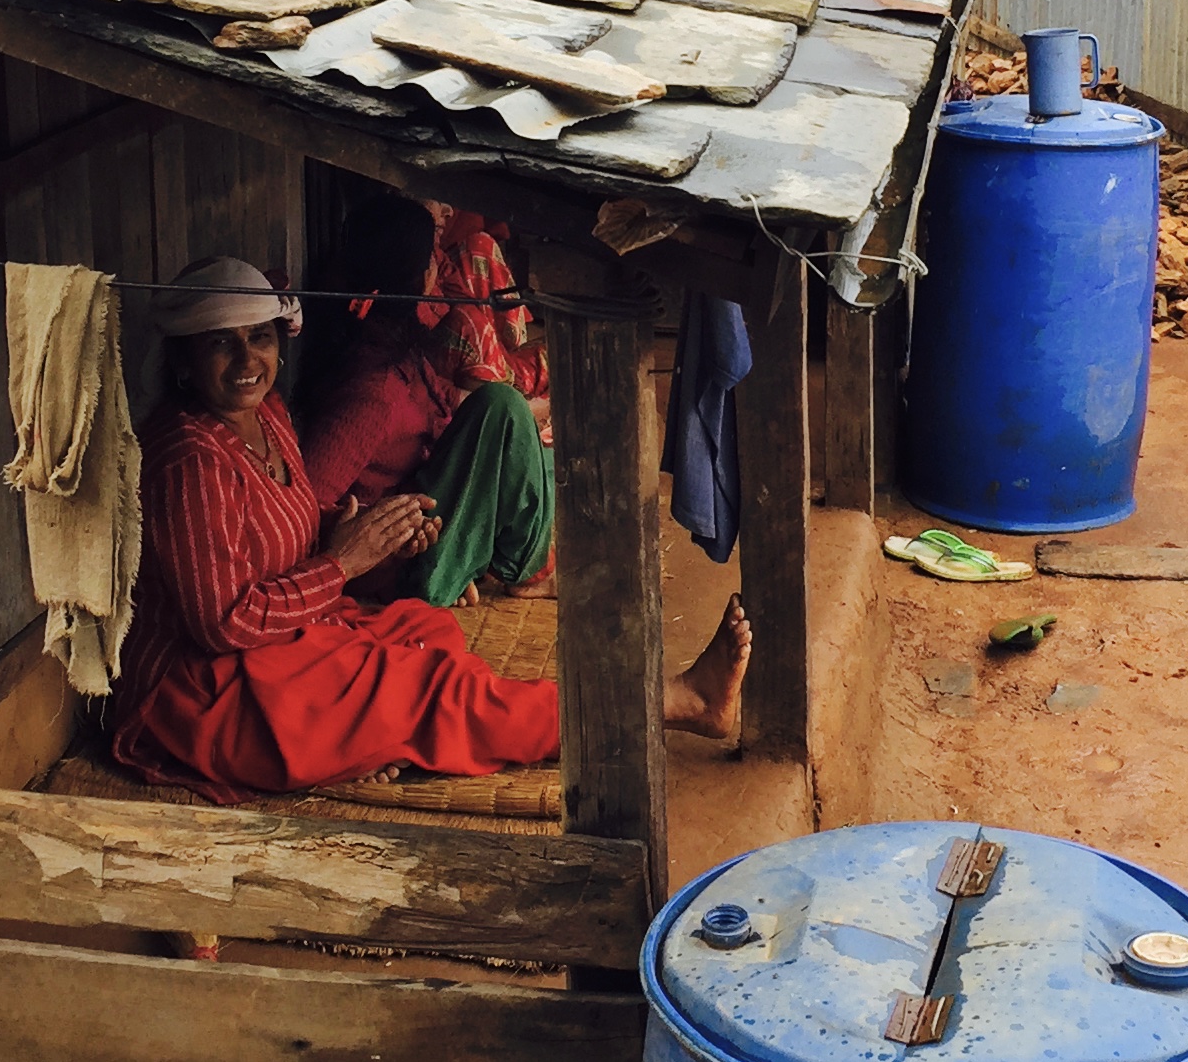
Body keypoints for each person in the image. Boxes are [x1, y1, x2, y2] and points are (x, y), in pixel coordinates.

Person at [108, 256, 745, 802]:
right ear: (184, 361)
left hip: (285, 640)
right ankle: (676, 702)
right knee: (441, 694)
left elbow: (287, 530)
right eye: (222, 344)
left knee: (427, 630)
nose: (248, 359)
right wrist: (344, 564)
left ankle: (370, 740)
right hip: (208, 691)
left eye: (260, 338)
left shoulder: (267, 414)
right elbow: (223, 625)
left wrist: (365, 534)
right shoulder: (189, 461)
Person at [298, 198, 553, 607]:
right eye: (433, 255)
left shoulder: (397, 344)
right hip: (402, 559)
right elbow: (304, 507)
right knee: (503, 407)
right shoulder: (373, 393)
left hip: (422, 517)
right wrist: (382, 548)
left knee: (531, 441)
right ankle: (528, 572)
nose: (440, 262)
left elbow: (441, 400)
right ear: (423, 277)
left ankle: (474, 561)